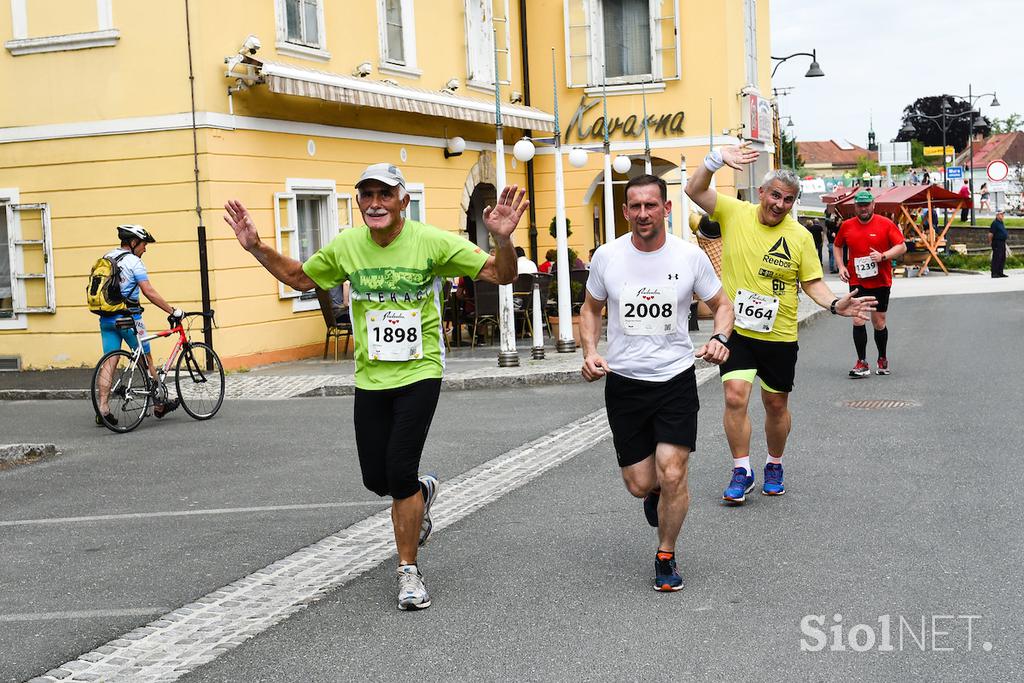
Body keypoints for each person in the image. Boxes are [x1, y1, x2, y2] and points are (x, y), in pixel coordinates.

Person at [224, 163, 527, 610]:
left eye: (384, 194)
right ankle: (421, 495)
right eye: (366, 195)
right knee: (376, 478)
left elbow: (503, 275)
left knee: (399, 470)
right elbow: (299, 278)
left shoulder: (431, 241)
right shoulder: (348, 246)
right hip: (370, 375)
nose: (374, 203)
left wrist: (502, 238)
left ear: (403, 200)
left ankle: (408, 571)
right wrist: (256, 247)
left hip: (419, 371)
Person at [685, 144, 876, 504]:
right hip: (738, 330)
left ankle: (775, 463)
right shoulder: (734, 212)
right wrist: (714, 160)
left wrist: (837, 304)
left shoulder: (800, 237)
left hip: (779, 333)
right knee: (734, 395)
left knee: (775, 404)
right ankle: (742, 469)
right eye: (775, 196)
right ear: (761, 193)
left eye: (788, 200)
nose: (779, 204)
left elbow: (812, 283)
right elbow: (693, 190)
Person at [580, 174, 734, 591]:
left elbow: (722, 305)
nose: (643, 213)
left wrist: (720, 338)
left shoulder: (689, 257)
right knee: (641, 483)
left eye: (651, 205)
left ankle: (665, 555)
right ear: (626, 210)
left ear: (666, 209)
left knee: (673, 471)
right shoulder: (607, 257)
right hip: (626, 383)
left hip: (674, 379)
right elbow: (591, 309)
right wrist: (590, 351)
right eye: (635, 206)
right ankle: (653, 496)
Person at [94, 224, 182, 426]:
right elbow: (149, 292)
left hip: (106, 319)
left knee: (109, 362)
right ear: (133, 243)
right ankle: (159, 404)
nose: (145, 249)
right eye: (143, 244)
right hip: (130, 319)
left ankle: (103, 408)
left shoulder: (107, 257)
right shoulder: (135, 263)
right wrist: (172, 310)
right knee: (147, 360)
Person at [834, 191, 907, 377]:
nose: (863, 208)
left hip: (881, 281)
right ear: (855, 207)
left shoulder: (885, 224)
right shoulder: (847, 225)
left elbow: (902, 246)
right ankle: (862, 362)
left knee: (878, 322)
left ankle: (882, 358)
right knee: (858, 319)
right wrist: (841, 266)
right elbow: (837, 245)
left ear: (873, 205)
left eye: (867, 205)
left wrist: (883, 256)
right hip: (857, 281)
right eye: (860, 205)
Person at [989, 210, 1008, 278]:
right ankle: (994, 273)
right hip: (997, 242)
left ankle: (1000, 272)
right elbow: (991, 234)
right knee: (997, 257)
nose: (1002, 215)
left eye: (1003, 214)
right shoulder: (995, 223)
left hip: (1002, 242)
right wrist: (991, 242)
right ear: (997, 215)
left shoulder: (1001, 223)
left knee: (1002, 257)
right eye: (1001, 214)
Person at [824, 206, 841, 274]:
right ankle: (835, 268)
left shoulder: (828, 230)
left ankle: (832, 268)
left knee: (831, 256)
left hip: (830, 243)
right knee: (834, 256)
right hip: (833, 243)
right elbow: (835, 227)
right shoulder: (832, 231)